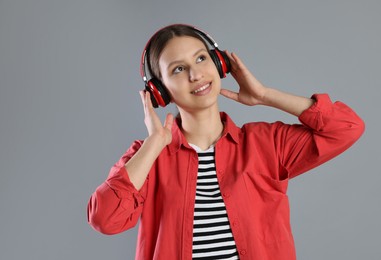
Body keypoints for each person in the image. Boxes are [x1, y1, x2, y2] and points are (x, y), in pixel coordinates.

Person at [87, 24, 365, 260]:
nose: (195, 75)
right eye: (178, 70)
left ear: (219, 63)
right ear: (159, 92)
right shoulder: (146, 157)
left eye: (200, 59)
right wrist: (153, 144)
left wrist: (265, 95)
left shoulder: (265, 144)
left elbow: (347, 128)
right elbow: (105, 219)